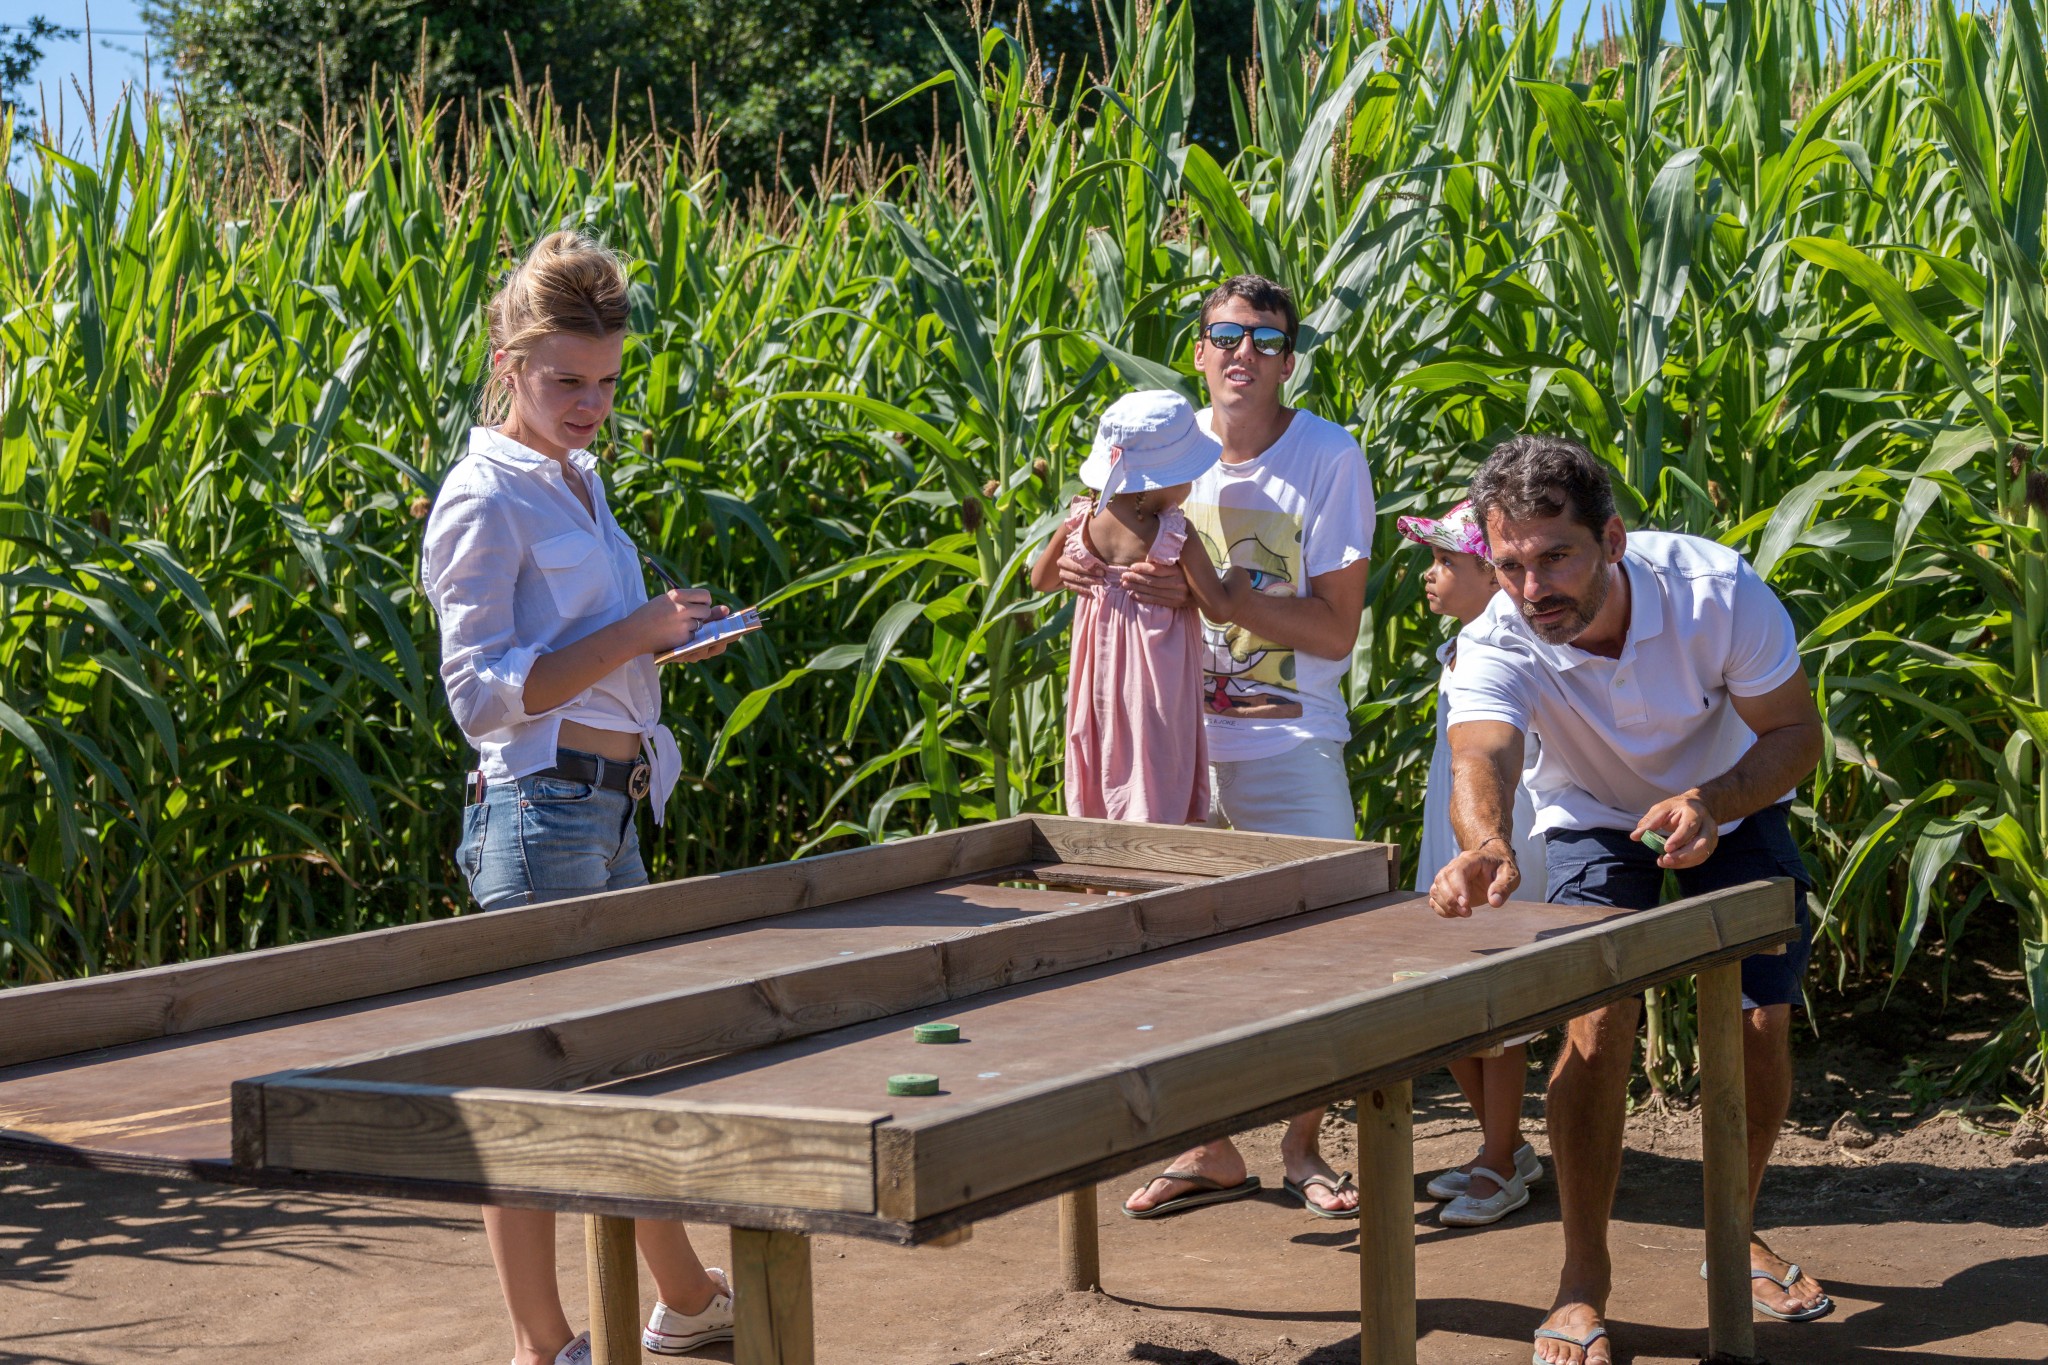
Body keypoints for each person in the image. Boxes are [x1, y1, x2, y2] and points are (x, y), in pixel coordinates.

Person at [1426, 435, 1832, 1365]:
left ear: (1611, 538)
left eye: (1556, 556)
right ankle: (1580, 1281)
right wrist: (1487, 843)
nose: (1533, 588)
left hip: (1731, 792)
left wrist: (1714, 801)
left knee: (1761, 1022)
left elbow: (1796, 732)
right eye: (1511, 564)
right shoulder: (1496, 633)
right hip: (1589, 814)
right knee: (1596, 1019)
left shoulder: (1713, 590)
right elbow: (1481, 755)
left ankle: (1735, 1230)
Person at [421, 231, 738, 1365]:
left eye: (605, 383)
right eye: (564, 381)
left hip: (609, 802)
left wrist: (659, 648)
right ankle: (541, 1343)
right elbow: (482, 697)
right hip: (538, 811)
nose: (589, 403)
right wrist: (638, 629)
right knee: (533, 1096)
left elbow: (579, 656)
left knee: (628, 1066)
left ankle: (686, 1297)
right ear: (509, 364)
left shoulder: (575, 479)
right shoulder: (483, 496)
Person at [1060, 276, 1375, 1221]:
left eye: (1269, 340)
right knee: (1172, 955)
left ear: (1291, 359)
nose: (1245, 353)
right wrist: (1076, 558)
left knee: (1322, 946)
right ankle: (1207, 1145)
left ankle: (1303, 1148)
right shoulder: (1156, 442)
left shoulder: (1328, 457)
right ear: (1197, 351)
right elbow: (1067, 545)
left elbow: (1335, 631)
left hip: (1285, 738)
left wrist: (1223, 599)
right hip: (1162, 744)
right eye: (1225, 335)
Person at [1397, 499, 1545, 1227]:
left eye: (1445, 562)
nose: (1430, 576)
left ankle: (1500, 1156)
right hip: (1452, 841)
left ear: (1492, 574)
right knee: (1448, 994)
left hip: (1501, 850)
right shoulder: (1467, 639)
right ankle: (1505, 1146)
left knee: (1499, 1005)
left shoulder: (1508, 641)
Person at [1029, 389, 1225, 823]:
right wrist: (1238, 581)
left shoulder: (1081, 520)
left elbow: (1040, 578)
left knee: (1103, 751)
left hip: (1097, 681)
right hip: (1157, 685)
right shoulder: (1175, 532)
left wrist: (1074, 566)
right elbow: (1219, 607)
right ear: (1165, 481)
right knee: (1155, 758)